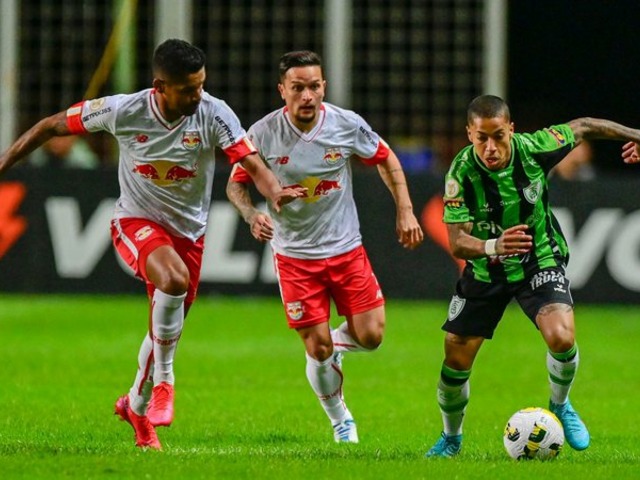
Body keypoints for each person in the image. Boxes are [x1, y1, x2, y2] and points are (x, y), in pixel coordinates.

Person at [0, 39, 304, 450]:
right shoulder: (123, 110)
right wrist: (3, 164)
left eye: (201, 85)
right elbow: (50, 126)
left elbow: (251, 162)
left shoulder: (214, 112)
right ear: (160, 86)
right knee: (173, 281)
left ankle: (136, 407)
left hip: (190, 233)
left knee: (164, 330)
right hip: (136, 221)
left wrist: (274, 191)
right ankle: (165, 382)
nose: (198, 95)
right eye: (188, 89)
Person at [425, 94, 640, 458]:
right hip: (486, 269)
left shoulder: (535, 148)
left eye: (498, 136)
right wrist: (494, 245)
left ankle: (560, 404)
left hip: (538, 258)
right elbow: (458, 242)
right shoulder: (460, 174)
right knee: (456, 359)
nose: (490, 147)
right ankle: (451, 437)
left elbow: (585, 126)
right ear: (469, 134)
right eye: (481, 138)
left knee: (561, 336)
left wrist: (636, 135)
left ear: (511, 129)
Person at [226, 50, 424, 443]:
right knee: (318, 349)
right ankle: (341, 421)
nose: (307, 96)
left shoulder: (345, 124)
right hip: (295, 257)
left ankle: (327, 343)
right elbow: (236, 183)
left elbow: (386, 159)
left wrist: (405, 210)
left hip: (346, 249)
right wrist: (251, 215)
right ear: (282, 90)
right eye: (297, 87)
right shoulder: (262, 134)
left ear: (324, 88)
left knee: (372, 336)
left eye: (314, 86)